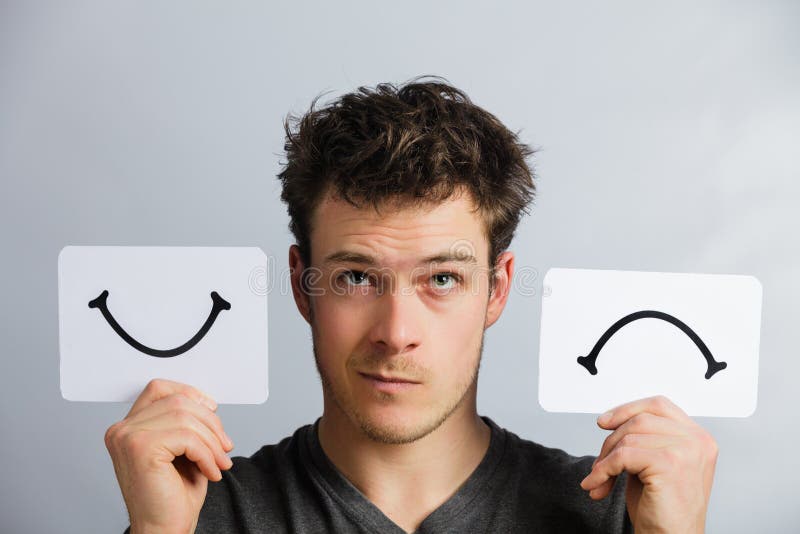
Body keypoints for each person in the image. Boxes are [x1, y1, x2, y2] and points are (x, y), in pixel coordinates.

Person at [105, 78, 719, 533]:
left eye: (443, 279)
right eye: (355, 278)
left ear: (497, 289)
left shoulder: (621, 510)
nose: (396, 334)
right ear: (302, 286)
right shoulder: (193, 512)